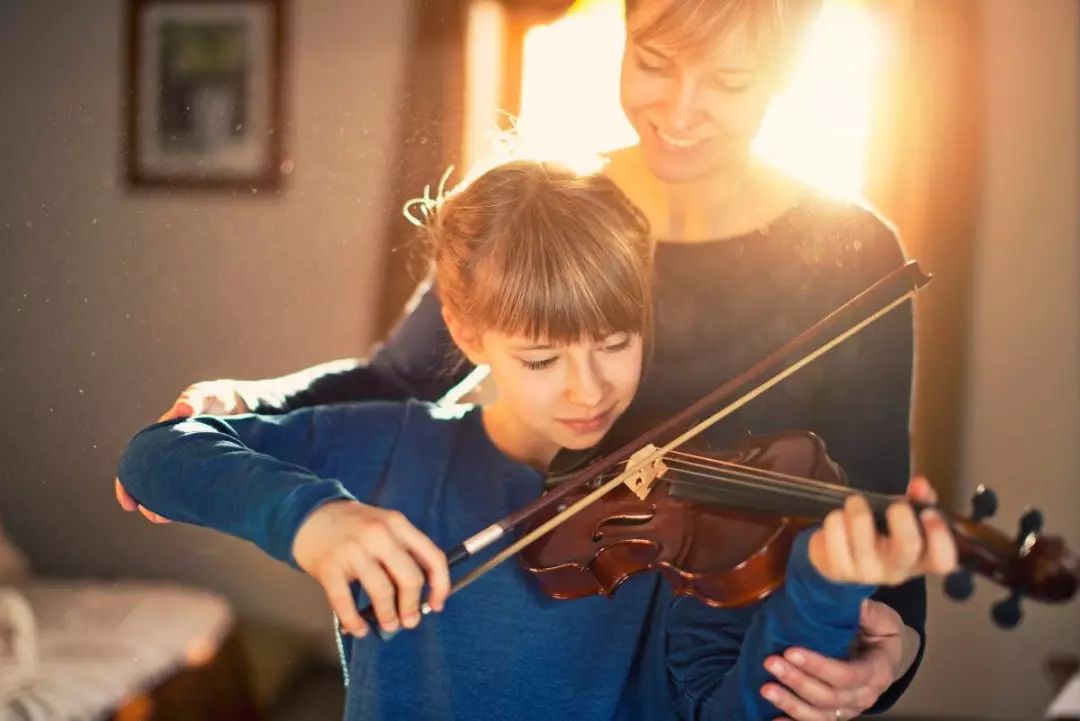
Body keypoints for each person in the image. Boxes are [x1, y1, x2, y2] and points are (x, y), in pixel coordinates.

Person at [117, 1, 930, 717]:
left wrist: (889, 650)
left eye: (730, 79)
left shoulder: (854, 255)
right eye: (652, 61)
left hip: (701, 642)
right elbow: (397, 384)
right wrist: (245, 407)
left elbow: (870, 498)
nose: (681, 108)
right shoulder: (561, 216)